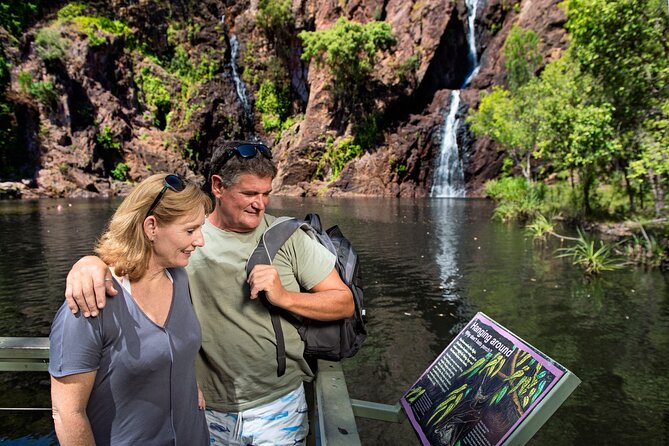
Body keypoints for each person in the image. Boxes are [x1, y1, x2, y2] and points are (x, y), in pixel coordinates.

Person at [64, 141, 355, 446]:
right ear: (217, 186)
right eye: (249, 194)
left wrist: (285, 296)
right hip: (204, 408)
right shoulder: (185, 238)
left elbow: (344, 301)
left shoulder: (289, 237)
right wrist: (90, 263)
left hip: (278, 406)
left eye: (266, 193)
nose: (260, 204)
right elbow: (133, 259)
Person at [49, 173, 212, 445]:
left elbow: (170, 347)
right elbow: (67, 413)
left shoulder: (179, 278)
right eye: (190, 230)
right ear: (151, 227)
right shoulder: (90, 302)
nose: (200, 240)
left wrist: (183, 379)